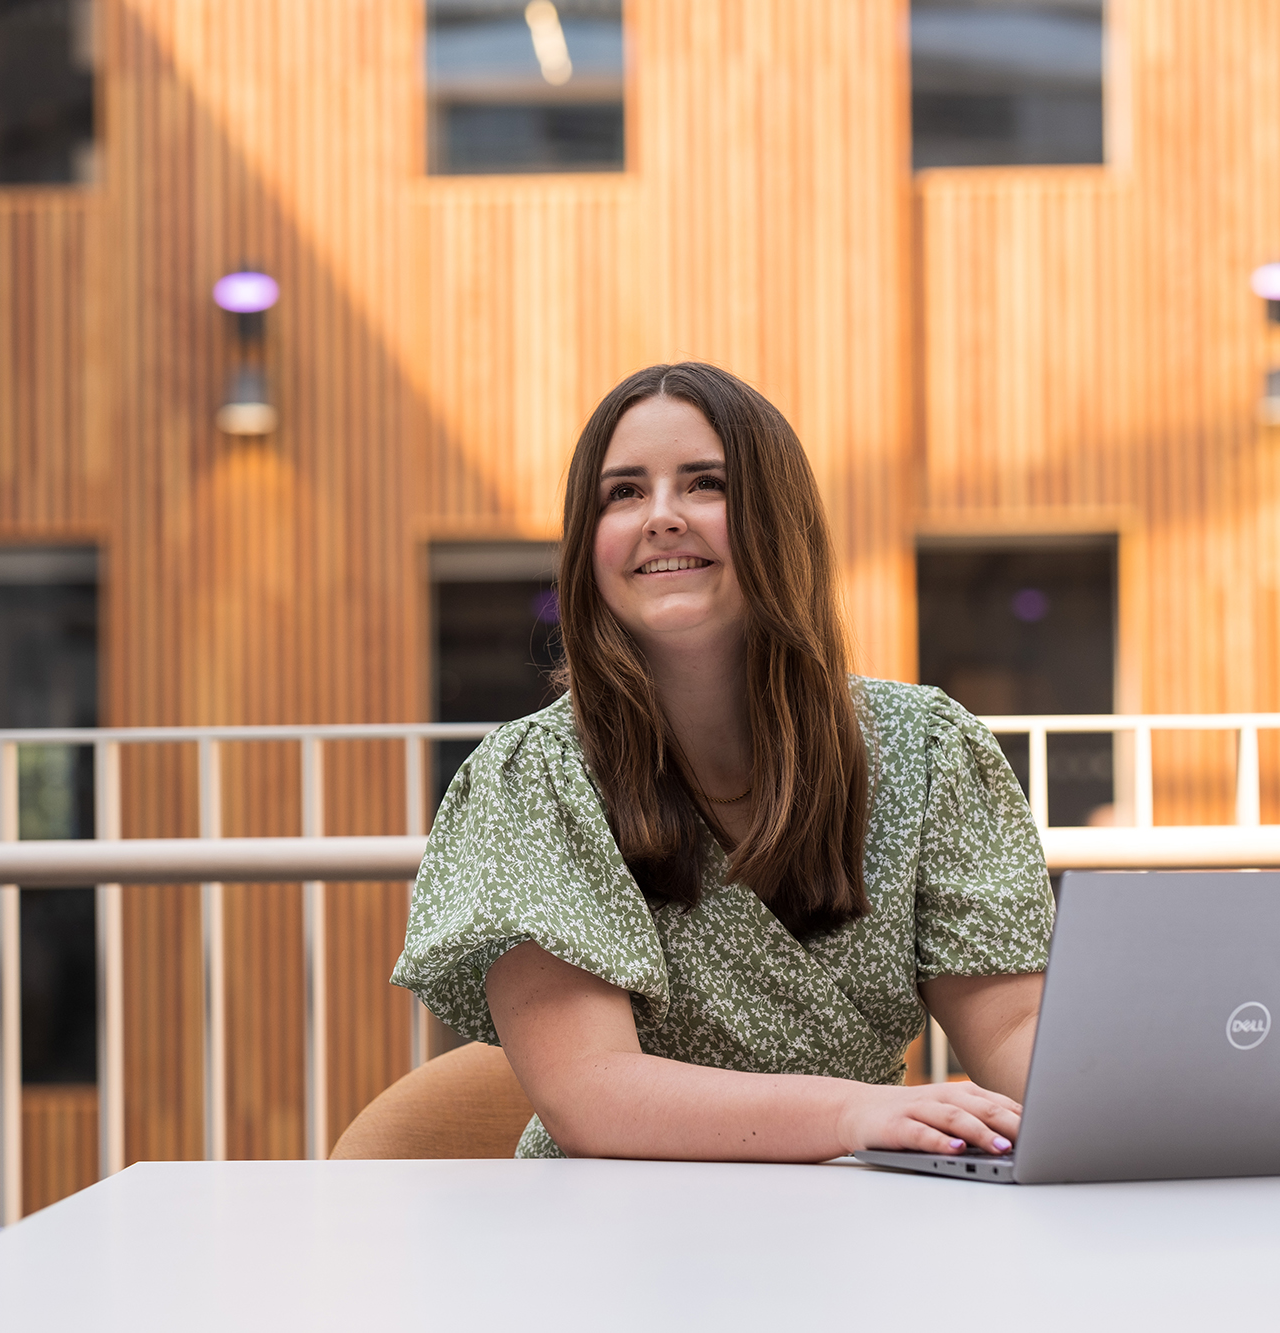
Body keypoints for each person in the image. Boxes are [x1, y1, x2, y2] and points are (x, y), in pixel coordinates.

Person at [392, 363, 1053, 1161]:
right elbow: (591, 1092)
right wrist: (857, 1113)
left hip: (855, 1217)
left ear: (780, 519)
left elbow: (1013, 1027)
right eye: (622, 492)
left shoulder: (931, 748)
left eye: (705, 483)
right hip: (612, 1227)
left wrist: (1138, 1100)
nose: (662, 516)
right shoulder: (532, 778)